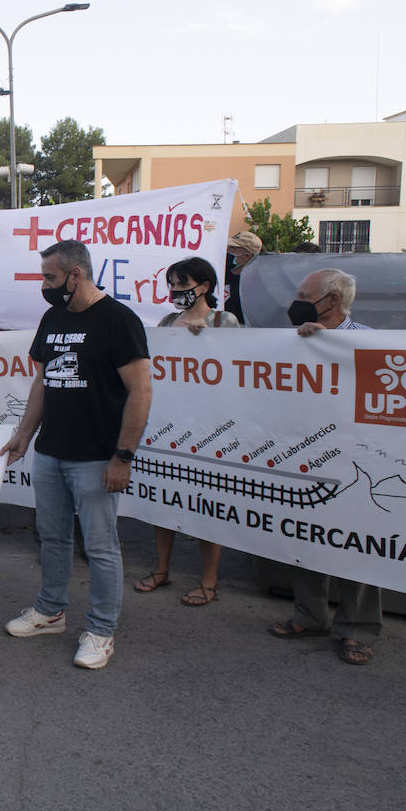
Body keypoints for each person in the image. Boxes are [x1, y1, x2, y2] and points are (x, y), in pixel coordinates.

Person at [0, 239, 152, 670]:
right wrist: (24, 435)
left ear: (76, 274)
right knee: (53, 536)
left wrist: (123, 457)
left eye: (50, 277)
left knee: (101, 547)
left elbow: (141, 390)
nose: (45, 286)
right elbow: (43, 382)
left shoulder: (118, 320)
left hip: (96, 457)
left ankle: (102, 630)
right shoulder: (53, 317)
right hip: (50, 452)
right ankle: (51, 611)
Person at [269, 268, 379, 666]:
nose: (294, 302)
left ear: (332, 300)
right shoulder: (290, 341)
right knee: (307, 537)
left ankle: (358, 630)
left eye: (303, 294)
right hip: (306, 454)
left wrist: (328, 345)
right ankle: (310, 615)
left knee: (359, 545)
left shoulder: (368, 339)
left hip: (354, 458)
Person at [133, 257, 240, 606]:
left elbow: (241, 367)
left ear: (205, 286)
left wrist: (207, 343)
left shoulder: (226, 322)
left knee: (209, 504)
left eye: (183, 284)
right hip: (169, 425)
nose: (176, 291)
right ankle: (162, 569)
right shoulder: (166, 322)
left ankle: (209, 579)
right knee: (164, 500)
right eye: (173, 285)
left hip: (211, 429)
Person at [224, 230, 262, 324]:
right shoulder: (222, 273)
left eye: (233, 248)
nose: (228, 250)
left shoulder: (256, 283)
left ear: (247, 256)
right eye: (229, 247)